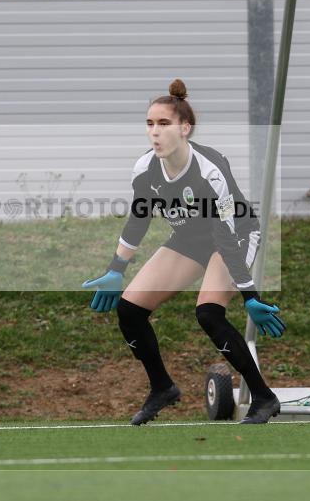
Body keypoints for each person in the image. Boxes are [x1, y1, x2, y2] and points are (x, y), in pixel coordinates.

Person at [83, 79, 285, 425]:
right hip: (189, 239)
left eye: (164, 124)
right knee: (130, 309)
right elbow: (138, 220)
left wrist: (249, 294)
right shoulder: (145, 169)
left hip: (234, 235)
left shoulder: (210, 170)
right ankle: (162, 388)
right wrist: (117, 268)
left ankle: (264, 397)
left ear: (185, 128)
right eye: (149, 124)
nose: (155, 132)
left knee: (208, 313)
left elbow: (224, 233)